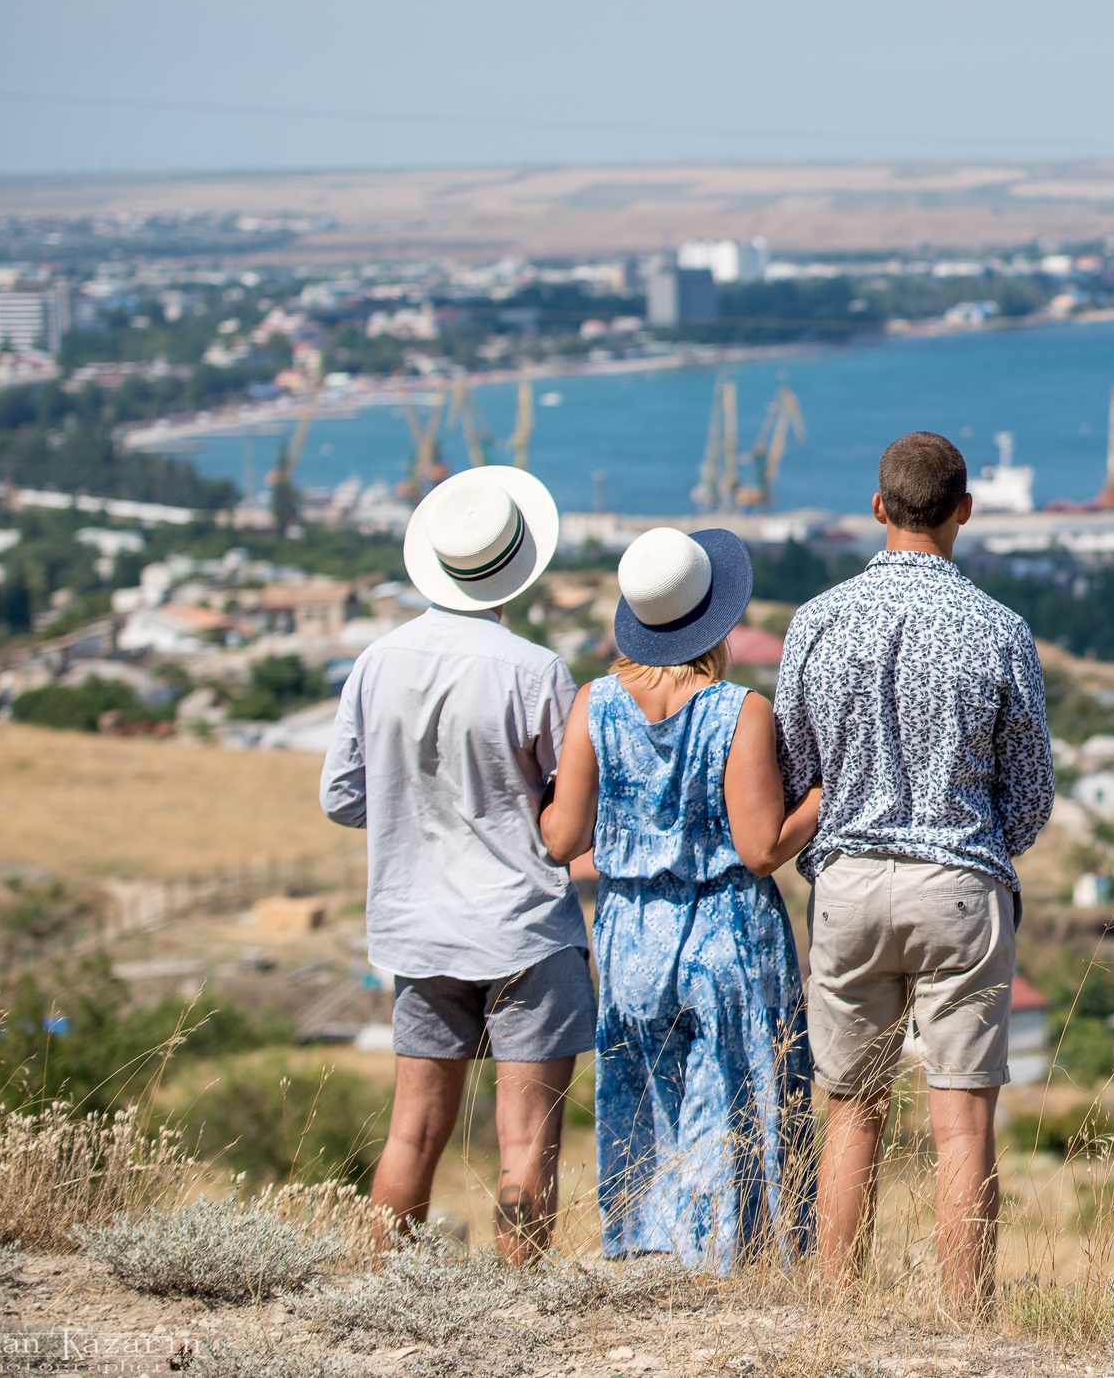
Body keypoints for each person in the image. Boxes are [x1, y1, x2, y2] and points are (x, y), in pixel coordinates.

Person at [774, 431, 1054, 1314]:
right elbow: (1031, 794)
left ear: (878, 508)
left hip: (849, 883)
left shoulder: (817, 622)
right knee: (962, 1121)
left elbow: (794, 770)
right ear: (964, 509)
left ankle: (837, 1312)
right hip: (960, 883)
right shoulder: (1000, 629)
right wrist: (975, 848)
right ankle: (965, 1324)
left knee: (850, 1108)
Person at [322, 465, 590, 1261]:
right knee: (525, 1141)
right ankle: (520, 1305)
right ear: (518, 567)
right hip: (523, 929)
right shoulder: (535, 670)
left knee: (411, 1133)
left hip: (417, 927)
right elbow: (568, 821)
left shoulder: (376, 662)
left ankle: (386, 1287)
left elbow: (342, 797)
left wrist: (412, 812)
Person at [540, 525, 816, 1273]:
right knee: (738, 1113)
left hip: (629, 937)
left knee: (644, 1107)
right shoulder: (739, 711)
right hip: (727, 934)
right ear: (716, 619)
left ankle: (649, 1254)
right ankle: (731, 1266)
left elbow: (563, 840)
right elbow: (761, 848)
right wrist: (824, 796)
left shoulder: (594, 703)